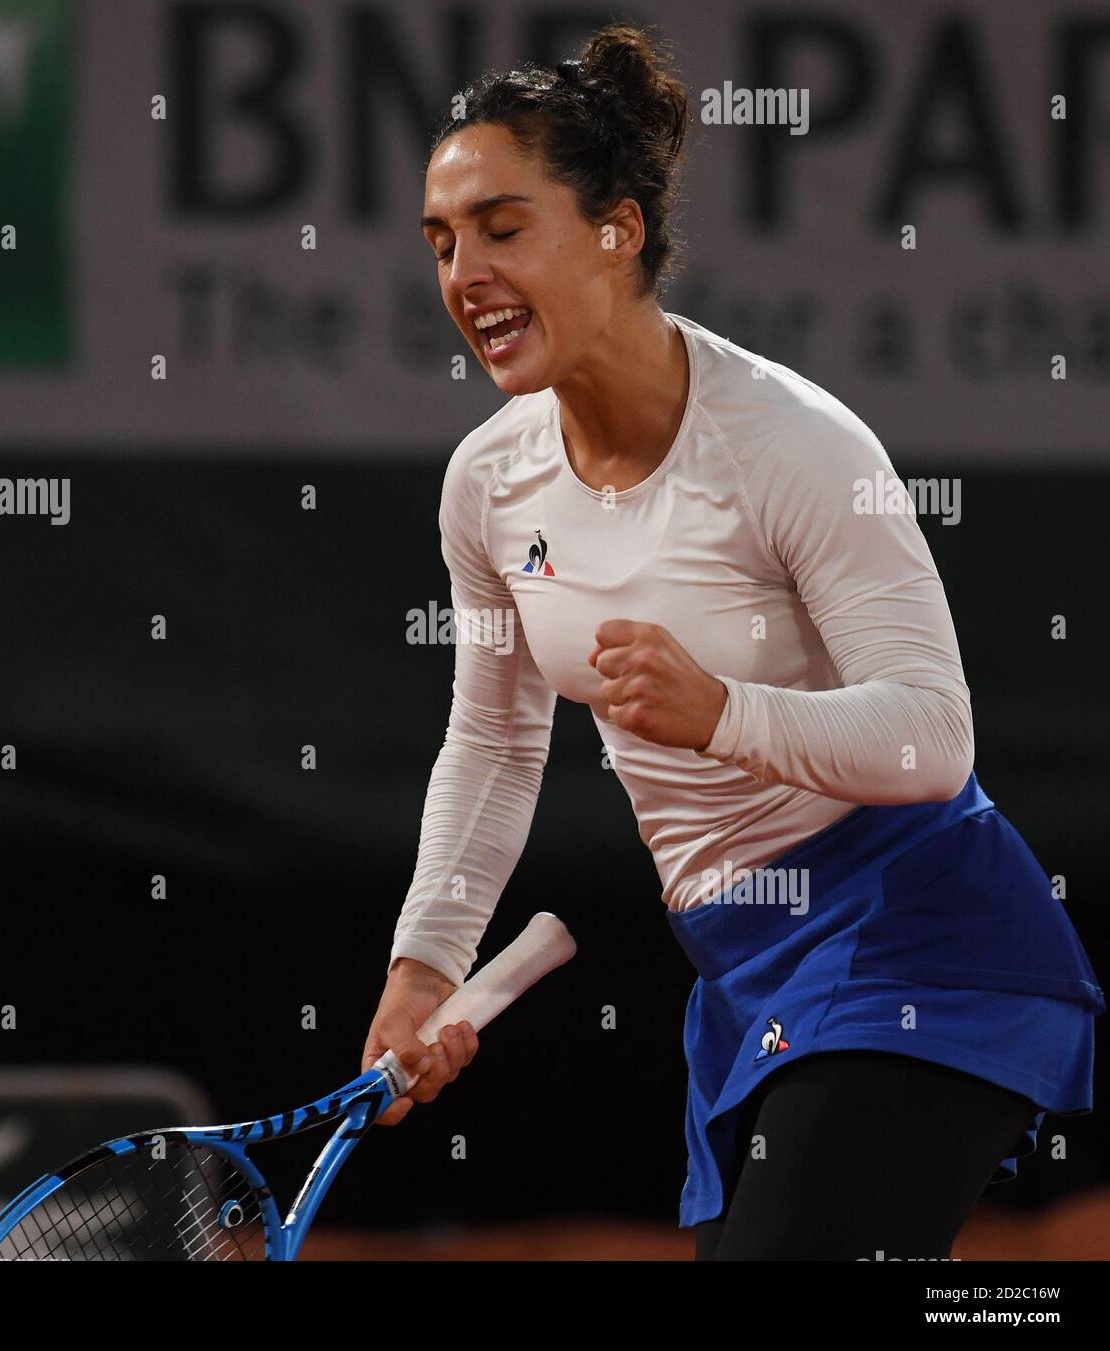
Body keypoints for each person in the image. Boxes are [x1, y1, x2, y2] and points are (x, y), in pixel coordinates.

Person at [359, 23, 1104, 1260]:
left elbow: (932, 733)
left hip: (919, 936)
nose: (463, 273)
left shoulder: (794, 444)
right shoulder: (485, 484)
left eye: (501, 227)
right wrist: (424, 966)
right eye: (441, 242)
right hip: (746, 969)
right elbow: (493, 744)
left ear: (619, 230)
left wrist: (724, 713)